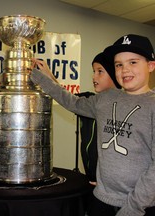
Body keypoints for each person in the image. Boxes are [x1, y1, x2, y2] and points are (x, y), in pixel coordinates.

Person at [30, 34, 155, 216]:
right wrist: (39, 77)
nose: (125, 70)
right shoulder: (105, 98)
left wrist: (132, 208)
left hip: (139, 208)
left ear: (151, 65)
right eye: (119, 64)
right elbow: (72, 102)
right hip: (101, 201)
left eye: (133, 62)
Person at [76, 52, 122, 215]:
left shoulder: (121, 107)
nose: (94, 76)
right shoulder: (92, 102)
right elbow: (67, 99)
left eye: (100, 71)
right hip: (93, 184)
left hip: (112, 190)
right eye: (93, 71)